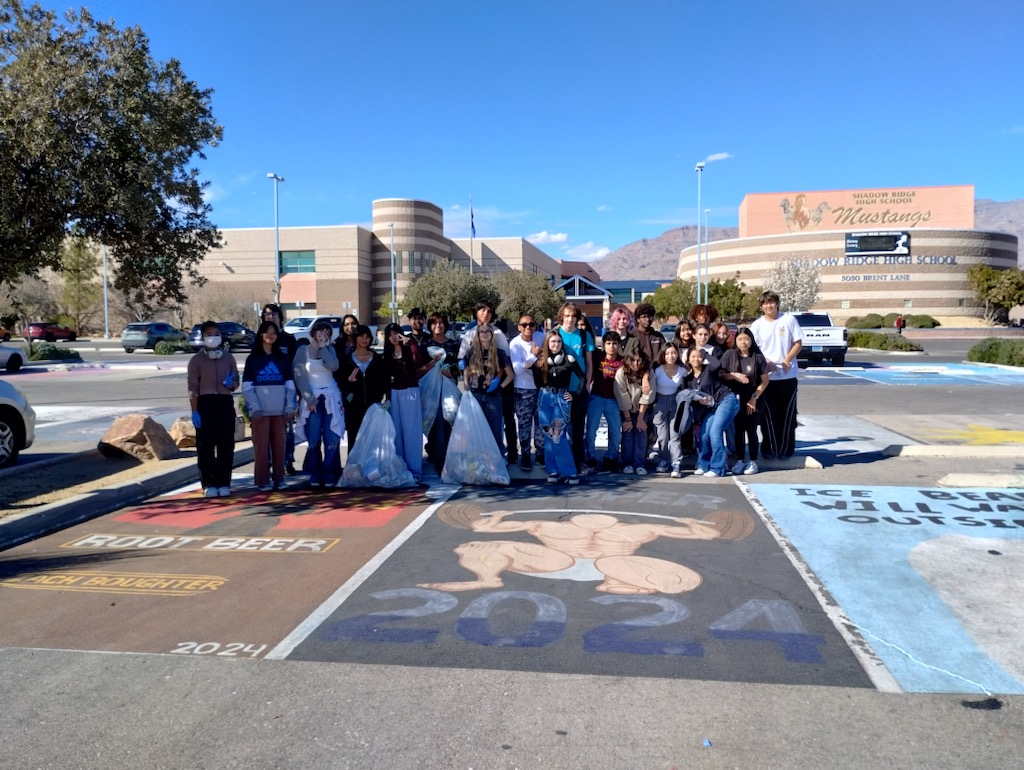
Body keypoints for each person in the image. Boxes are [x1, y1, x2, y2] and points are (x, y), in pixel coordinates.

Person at [187, 320, 240, 497]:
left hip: (224, 403)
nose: (213, 337)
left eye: (216, 334)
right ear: (203, 337)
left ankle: (224, 482)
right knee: (206, 448)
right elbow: (192, 387)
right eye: (209, 334)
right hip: (205, 404)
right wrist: (195, 410)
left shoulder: (228, 358)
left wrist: (231, 383)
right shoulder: (196, 360)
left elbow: (235, 381)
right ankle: (209, 483)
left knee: (226, 446)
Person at [242, 321, 296, 492]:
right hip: (260, 413)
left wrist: (290, 407)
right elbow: (247, 387)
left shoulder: (283, 358)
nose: (270, 335)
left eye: (274, 332)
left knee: (280, 448)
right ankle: (262, 481)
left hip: (280, 412)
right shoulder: (253, 359)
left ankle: (279, 479)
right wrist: (255, 407)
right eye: (267, 332)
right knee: (261, 449)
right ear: (260, 335)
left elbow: (290, 385)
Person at [749, 290, 803, 459]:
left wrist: (787, 359)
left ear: (777, 303)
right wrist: (766, 363)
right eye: (765, 303)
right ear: (761, 306)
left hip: (787, 377)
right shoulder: (757, 325)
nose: (769, 306)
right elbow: (754, 349)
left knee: (786, 415)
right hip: (767, 379)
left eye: (771, 302)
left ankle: (786, 450)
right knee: (768, 417)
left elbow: (798, 343)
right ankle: (769, 450)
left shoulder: (788, 320)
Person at [293, 320, 343, 488]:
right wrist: (309, 399)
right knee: (313, 438)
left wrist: (323, 348)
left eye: (327, 334)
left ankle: (330, 472)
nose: (323, 336)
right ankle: (315, 472)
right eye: (320, 332)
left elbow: (333, 366)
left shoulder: (330, 350)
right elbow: (299, 376)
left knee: (332, 437)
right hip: (312, 400)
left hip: (330, 396)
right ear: (313, 333)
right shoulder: (303, 350)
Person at [720, 327, 771, 476]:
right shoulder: (729, 355)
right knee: (738, 431)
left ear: (751, 340)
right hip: (735, 399)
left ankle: (753, 461)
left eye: (746, 339)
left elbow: (765, 381)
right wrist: (734, 375)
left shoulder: (758, 357)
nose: (743, 342)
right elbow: (722, 374)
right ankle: (740, 460)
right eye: (740, 339)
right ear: (735, 340)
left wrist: (754, 398)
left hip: (754, 399)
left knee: (751, 429)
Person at [682, 345, 739, 478]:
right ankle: (703, 464)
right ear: (688, 360)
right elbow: (689, 397)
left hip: (726, 400)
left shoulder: (709, 369)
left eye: (699, 356)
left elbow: (718, 364)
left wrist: (705, 354)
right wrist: (699, 402)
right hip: (710, 407)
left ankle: (718, 468)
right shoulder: (688, 379)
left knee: (715, 432)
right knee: (704, 434)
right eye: (693, 356)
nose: (697, 359)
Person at [534, 331, 582, 485]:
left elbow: (582, 377)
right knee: (548, 435)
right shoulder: (542, 361)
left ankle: (570, 471)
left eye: (559, 341)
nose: (556, 344)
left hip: (561, 399)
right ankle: (553, 470)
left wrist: (574, 395)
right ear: (547, 343)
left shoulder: (568, 359)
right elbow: (537, 383)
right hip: (544, 398)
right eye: (553, 341)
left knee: (558, 436)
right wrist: (536, 364)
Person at [461, 323, 514, 458]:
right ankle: (478, 460)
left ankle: (497, 460)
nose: (484, 334)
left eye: (487, 332)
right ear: (478, 335)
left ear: (492, 334)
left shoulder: (499, 353)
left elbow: (510, 375)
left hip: (493, 396)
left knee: (495, 429)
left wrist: (500, 386)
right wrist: (467, 388)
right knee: (476, 429)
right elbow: (465, 371)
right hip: (476, 396)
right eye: (481, 332)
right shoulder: (471, 352)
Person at [556, 302, 595, 475]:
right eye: (567, 316)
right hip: (560, 389)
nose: (570, 319)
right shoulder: (555, 335)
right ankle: (560, 464)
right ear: (561, 317)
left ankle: (579, 463)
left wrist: (586, 384)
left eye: (573, 316)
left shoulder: (584, 336)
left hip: (579, 389)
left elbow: (589, 362)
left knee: (579, 429)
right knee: (560, 429)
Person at [383, 322, 425, 481]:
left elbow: (417, 362)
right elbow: (386, 378)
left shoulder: (409, 348)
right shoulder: (387, 354)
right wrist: (387, 398)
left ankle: (415, 470)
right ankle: (400, 468)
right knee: (397, 433)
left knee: (412, 432)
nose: (394, 337)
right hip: (395, 393)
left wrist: (410, 343)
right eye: (390, 334)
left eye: (396, 333)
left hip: (410, 391)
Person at [337, 324, 388, 457]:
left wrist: (379, 398)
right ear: (355, 338)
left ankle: (372, 469)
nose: (365, 340)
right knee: (354, 438)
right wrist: (349, 388)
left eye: (367, 337)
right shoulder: (347, 360)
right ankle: (353, 470)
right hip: (354, 406)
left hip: (373, 405)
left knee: (373, 438)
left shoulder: (377, 358)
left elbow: (383, 380)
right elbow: (340, 382)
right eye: (361, 336)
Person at [262, 304, 300, 476]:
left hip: (286, 390)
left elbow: (295, 366)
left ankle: (288, 461)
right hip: (265, 391)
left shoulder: (289, 339)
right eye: (267, 314)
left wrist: (296, 391)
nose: (270, 316)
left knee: (288, 429)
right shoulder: (259, 339)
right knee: (268, 430)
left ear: (280, 316)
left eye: (273, 314)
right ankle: (269, 462)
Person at [424, 312, 461, 474]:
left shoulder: (453, 344)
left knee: (447, 422)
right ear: (430, 326)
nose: (438, 326)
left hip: (449, 391)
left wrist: (451, 373)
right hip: (431, 392)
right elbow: (419, 368)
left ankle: (445, 460)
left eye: (441, 322)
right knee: (433, 423)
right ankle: (436, 456)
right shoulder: (425, 345)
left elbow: (460, 368)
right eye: (434, 323)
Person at [509, 313, 545, 472]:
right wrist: (533, 356)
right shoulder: (515, 344)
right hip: (523, 389)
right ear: (518, 327)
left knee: (541, 422)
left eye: (531, 324)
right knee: (524, 424)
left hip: (541, 388)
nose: (528, 328)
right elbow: (517, 369)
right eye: (524, 325)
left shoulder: (540, 336)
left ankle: (540, 453)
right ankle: (524, 454)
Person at [586, 331, 624, 472]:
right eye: (608, 343)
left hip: (613, 400)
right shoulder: (598, 357)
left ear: (619, 345)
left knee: (616, 432)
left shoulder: (622, 361)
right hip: (596, 397)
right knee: (591, 430)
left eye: (614, 343)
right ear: (603, 345)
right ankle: (590, 456)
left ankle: (611, 457)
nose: (611, 346)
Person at [614, 348, 654, 475]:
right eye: (633, 360)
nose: (636, 363)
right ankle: (627, 463)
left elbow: (647, 395)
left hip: (642, 408)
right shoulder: (621, 373)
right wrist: (627, 419)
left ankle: (639, 464)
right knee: (628, 433)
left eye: (638, 361)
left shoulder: (649, 373)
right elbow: (622, 396)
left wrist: (641, 418)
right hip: (626, 409)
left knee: (641, 433)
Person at [651, 343, 685, 476]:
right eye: (667, 353)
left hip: (676, 401)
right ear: (663, 355)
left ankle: (676, 462)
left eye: (674, 353)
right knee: (662, 435)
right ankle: (664, 460)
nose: (671, 356)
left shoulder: (683, 370)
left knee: (675, 434)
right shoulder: (658, 370)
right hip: (660, 402)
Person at [622, 302, 665, 370]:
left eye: (650, 316)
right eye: (644, 317)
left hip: (657, 371)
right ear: (638, 319)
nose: (647, 319)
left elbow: (664, 354)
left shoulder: (658, 336)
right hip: (638, 372)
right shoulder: (632, 336)